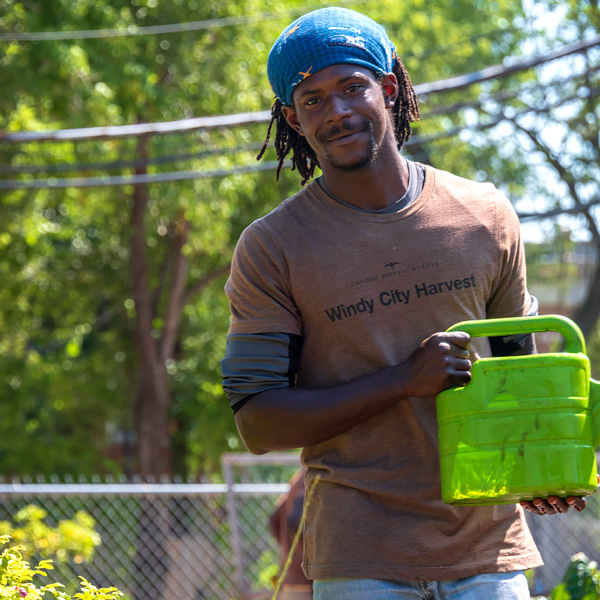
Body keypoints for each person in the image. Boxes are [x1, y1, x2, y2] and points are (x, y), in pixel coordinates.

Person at [221, 7, 589, 600]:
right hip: (360, 554)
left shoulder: (484, 215)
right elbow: (258, 422)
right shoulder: (273, 247)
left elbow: (522, 381)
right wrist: (401, 381)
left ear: (388, 88)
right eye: (312, 100)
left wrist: (544, 471)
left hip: (487, 552)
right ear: (292, 117)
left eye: (350, 88)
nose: (336, 112)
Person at [269, 469, 313, 600]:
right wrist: (308, 565)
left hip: (289, 583)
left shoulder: (298, 478)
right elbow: (296, 520)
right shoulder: (316, 475)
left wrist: (288, 553)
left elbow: (273, 520)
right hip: (305, 586)